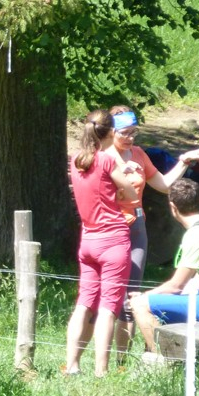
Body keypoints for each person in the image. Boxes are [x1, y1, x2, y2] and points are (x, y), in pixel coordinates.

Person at [104, 106, 199, 362]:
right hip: (110, 228)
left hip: (137, 228)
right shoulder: (102, 158)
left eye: (134, 132)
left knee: (131, 293)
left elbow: (163, 185)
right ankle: (100, 362)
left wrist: (184, 160)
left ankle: (121, 361)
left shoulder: (139, 154)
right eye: (124, 133)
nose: (130, 138)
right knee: (108, 296)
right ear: (111, 132)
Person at [130, 178, 199, 359]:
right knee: (166, 302)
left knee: (140, 305)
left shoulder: (196, 234)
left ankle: (161, 361)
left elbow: (176, 285)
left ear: (172, 206)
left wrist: (145, 295)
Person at [63, 109, 136, 377]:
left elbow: (95, 186)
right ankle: (101, 371)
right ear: (110, 132)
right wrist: (124, 178)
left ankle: (71, 365)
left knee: (84, 303)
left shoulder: (76, 160)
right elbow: (130, 192)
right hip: (113, 240)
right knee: (108, 307)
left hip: (88, 241)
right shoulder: (107, 160)